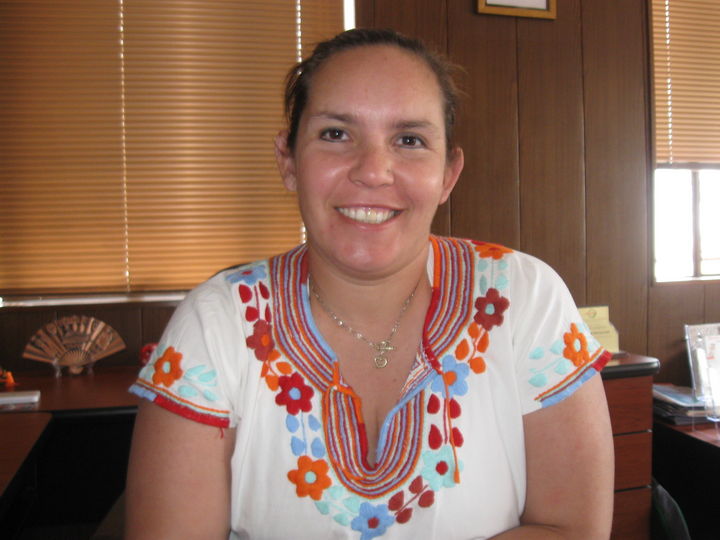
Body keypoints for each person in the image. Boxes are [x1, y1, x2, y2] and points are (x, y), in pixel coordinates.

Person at [125, 28, 614, 539]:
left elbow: (574, 531)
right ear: (288, 161)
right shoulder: (216, 322)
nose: (373, 171)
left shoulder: (523, 297)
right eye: (336, 134)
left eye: (410, 140)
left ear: (448, 175)